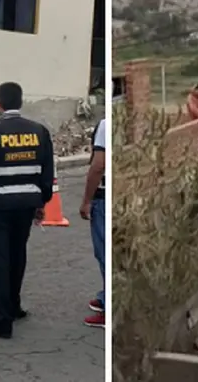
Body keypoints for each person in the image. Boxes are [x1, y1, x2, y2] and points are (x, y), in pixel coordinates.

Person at [0, 82, 55, 339]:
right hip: (26, 204)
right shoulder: (39, 131)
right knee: (17, 255)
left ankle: (2, 320)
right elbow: (47, 173)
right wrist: (41, 201)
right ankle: (14, 306)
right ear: (21, 102)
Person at [79, 117, 106, 328]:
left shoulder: (106, 124)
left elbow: (98, 165)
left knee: (105, 252)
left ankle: (108, 308)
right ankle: (105, 295)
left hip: (104, 197)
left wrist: (87, 200)